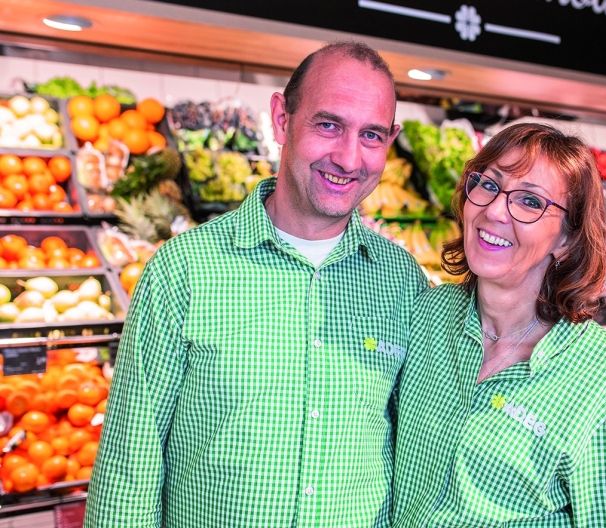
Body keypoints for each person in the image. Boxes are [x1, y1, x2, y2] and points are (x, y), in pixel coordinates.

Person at [85, 41, 427, 528]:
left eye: (371, 135)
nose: (349, 158)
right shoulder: (184, 269)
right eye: (329, 125)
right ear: (282, 119)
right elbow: (129, 464)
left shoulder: (402, 281)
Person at [392, 122, 606, 527]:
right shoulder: (426, 315)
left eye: (530, 202)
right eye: (488, 185)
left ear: (567, 239)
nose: (494, 211)